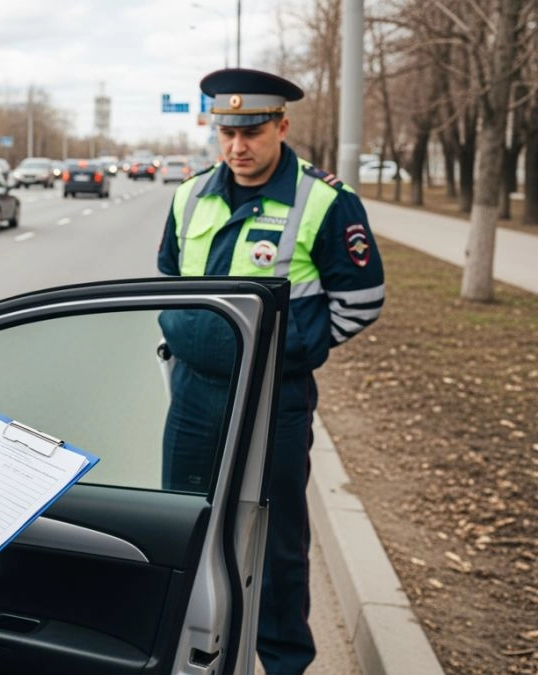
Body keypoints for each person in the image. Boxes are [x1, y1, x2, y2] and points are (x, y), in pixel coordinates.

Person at [156, 68, 385, 675]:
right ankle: (183, 651)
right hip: (194, 395)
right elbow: (171, 276)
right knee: (180, 524)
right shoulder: (191, 193)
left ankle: (283, 662)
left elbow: (362, 300)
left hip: (272, 403)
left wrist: (291, 353)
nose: (237, 147)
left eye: (252, 131)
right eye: (226, 132)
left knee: (275, 542)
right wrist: (182, 337)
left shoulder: (325, 201)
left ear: (282, 126)